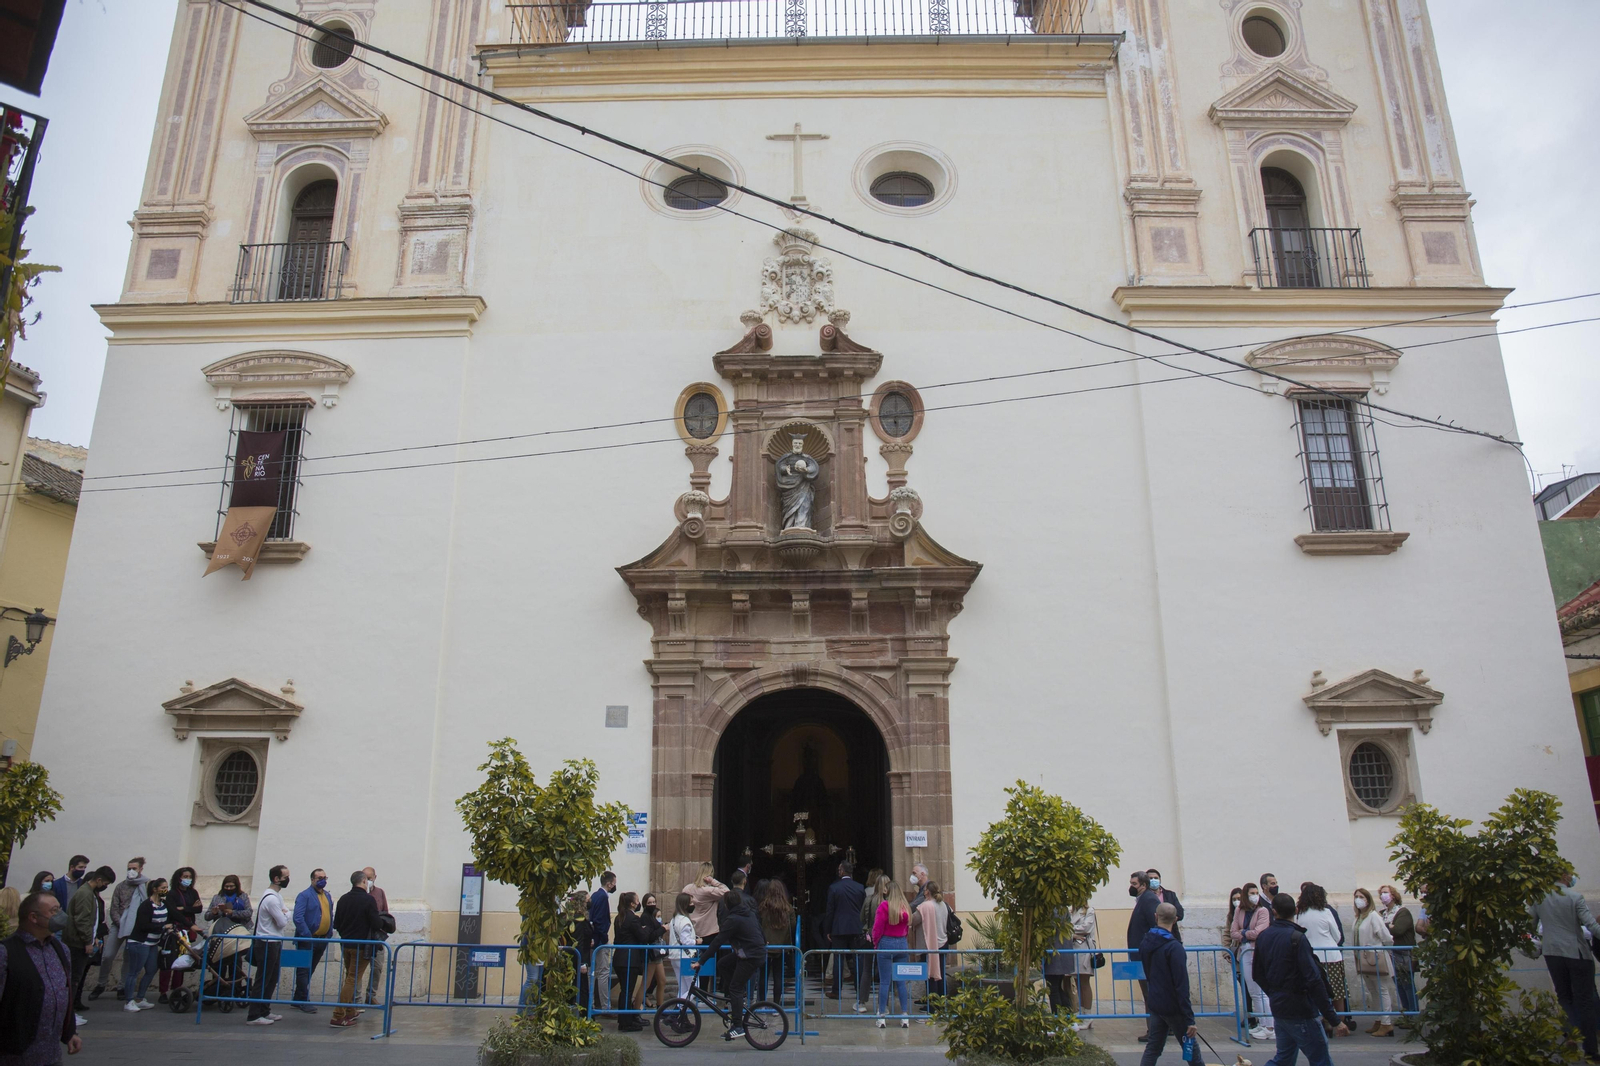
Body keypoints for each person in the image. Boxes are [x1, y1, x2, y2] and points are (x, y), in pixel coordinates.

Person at [1254, 893, 1348, 1066]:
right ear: (1296, 910)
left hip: (1280, 1005)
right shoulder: (1297, 938)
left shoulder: (1264, 937)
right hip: (1300, 1007)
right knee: (1320, 1059)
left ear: (1273, 911)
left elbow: (1257, 974)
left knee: (1284, 1058)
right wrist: (1333, 1018)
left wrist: (1274, 993)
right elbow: (1313, 979)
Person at [0, 892, 81, 1061]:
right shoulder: (6, 952)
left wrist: (70, 1032)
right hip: (16, 1054)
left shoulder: (60, 949)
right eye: (54, 910)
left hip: (51, 1053)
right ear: (33, 917)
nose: (60, 915)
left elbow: (65, 992)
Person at [1529, 871, 1600, 1062]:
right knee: (1584, 1001)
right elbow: (1592, 925)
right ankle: (1591, 1050)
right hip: (1577, 953)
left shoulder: (1539, 898)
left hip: (1552, 954)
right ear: (1565, 877)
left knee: (1565, 998)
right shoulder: (1575, 897)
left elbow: (1529, 925)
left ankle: (1571, 1036)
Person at [690, 887, 766, 1041]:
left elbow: (717, 942)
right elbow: (760, 929)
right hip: (751, 952)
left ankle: (738, 1026)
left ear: (727, 905)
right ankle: (735, 995)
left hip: (750, 955)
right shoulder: (747, 913)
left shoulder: (733, 919)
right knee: (723, 964)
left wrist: (701, 961)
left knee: (735, 987)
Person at [1138, 903, 1204, 1066]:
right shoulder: (1174, 947)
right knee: (1190, 1048)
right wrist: (1189, 1018)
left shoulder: (1146, 942)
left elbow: (1148, 972)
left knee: (1153, 1047)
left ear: (1155, 916)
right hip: (1174, 1006)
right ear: (1175, 919)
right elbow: (1181, 985)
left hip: (1156, 1001)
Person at [330, 870, 385, 1027]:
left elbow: (337, 923)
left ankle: (350, 1010)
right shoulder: (368, 900)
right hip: (361, 946)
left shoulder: (343, 899)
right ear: (362, 882)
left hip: (346, 944)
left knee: (350, 977)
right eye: (366, 880)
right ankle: (338, 1015)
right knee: (353, 979)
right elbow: (376, 923)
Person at [91, 858, 146, 1002]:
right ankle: (101, 983)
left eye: (134, 868)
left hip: (136, 928)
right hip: (119, 925)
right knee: (107, 955)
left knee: (128, 958)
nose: (131, 871)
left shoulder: (145, 886)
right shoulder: (121, 886)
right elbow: (114, 907)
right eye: (129, 868)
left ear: (141, 869)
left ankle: (122, 987)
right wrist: (121, 923)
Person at [247, 864, 293, 1026]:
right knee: (263, 978)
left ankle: (264, 1010)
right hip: (267, 942)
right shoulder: (272, 898)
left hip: (274, 941)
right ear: (276, 878)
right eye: (285, 876)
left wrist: (285, 914)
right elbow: (282, 922)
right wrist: (285, 915)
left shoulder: (276, 896)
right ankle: (253, 1015)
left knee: (272, 978)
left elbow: (287, 913)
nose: (288, 879)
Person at [63, 866, 113, 1014]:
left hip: (82, 941)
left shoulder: (89, 893)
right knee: (74, 979)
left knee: (77, 977)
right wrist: (87, 942)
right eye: (105, 884)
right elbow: (82, 920)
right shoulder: (85, 894)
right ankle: (68, 1013)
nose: (105, 887)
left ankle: (71, 1010)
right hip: (77, 943)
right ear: (98, 880)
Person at [1294, 884, 1346, 1026]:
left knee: (1316, 989)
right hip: (1331, 955)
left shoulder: (1300, 914)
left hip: (1311, 956)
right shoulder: (1326, 912)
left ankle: (1321, 1021)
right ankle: (1340, 1020)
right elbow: (1337, 935)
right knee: (1337, 990)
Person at [823, 861, 868, 1011]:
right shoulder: (860, 887)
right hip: (856, 928)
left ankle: (837, 991)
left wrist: (828, 929)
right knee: (858, 960)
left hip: (839, 928)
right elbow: (863, 908)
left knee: (838, 959)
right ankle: (859, 992)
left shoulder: (834, 888)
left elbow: (830, 911)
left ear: (842, 871)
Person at [119, 877, 169, 1012]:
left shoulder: (163, 904)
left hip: (153, 943)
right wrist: (162, 926)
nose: (165, 890)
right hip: (140, 943)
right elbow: (143, 925)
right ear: (155, 889)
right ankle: (128, 1001)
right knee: (134, 972)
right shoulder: (146, 905)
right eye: (163, 888)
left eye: (166, 887)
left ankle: (140, 998)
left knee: (152, 969)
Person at [1232, 882, 1274, 1041]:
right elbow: (1233, 932)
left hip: (1257, 951)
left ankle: (1270, 1026)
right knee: (1253, 991)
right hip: (1245, 952)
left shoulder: (1263, 911)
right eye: (1251, 893)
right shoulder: (1239, 910)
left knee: (1263, 991)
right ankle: (1262, 1023)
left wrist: (1244, 933)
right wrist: (1245, 934)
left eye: (1256, 892)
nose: (1255, 896)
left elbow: (1259, 932)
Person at [1350, 887, 1393, 1036]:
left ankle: (1386, 1022)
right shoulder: (1358, 917)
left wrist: (1377, 948)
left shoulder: (1374, 916)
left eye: (1361, 896)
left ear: (1368, 899)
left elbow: (1386, 937)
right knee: (1372, 991)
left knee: (1382, 990)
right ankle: (1378, 1019)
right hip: (1363, 958)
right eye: (1356, 896)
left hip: (1375, 957)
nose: (1358, 899)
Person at [291, 869, 335, 1013]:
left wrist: (329, 934)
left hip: (322, 940)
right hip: (308, 940)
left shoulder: (327, 895)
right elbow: (298, 917)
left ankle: (298, 997)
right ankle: (303, 999)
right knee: (303, 970)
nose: (322, 880)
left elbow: (329, 914)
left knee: (310, 969)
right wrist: (307, 935)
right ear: (312, 880)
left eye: (324, 877)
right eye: (319, 878)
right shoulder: (304, 896)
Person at [871, 878, 912, 1028]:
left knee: (884, 982)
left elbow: (877, 928)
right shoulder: (905, 907)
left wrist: (876, 943)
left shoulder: (884, 906)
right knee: (901, 982)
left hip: (886, 943)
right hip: (901, 943)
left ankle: (882, 1016)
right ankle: (905, 1015)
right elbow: (907, 928)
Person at [159, 867, 202, 1001]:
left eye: (190, 876)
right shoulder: (172, 893)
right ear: (179, 877)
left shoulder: (193, 892)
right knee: (169, 961)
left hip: (188, 931)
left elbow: (199, 908)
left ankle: (176, 989)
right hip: (175, 931)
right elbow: (173, 912)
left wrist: (183, 908)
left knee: (182, 962)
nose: (187, 879)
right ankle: (163, 991)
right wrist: (189, 911)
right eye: (185, 876)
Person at [1377, 885, 1417, 1016]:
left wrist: (1385, 926)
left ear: (1393, 895)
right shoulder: (1382, 913)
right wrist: (1389, 926)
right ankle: (1406, 1012)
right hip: (1390, 953)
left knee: (1407, 985)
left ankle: (1413, 1013)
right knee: (1399, 985)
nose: (1383, 895)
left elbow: (1398, 930)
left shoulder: (1402, 912)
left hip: (1404, 953)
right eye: (1381, 893)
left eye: (1385, 893)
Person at [612, 891, 648, 1030]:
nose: (639, 903)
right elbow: (642, 936)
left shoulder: (619, 917)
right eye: (637, 901)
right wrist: (647, 928)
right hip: (629, 959)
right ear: (633, 904)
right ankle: (626, 1022)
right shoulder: (632, 918)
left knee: (624, 990)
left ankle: (624, 1019)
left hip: (619, 958)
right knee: (627, 990)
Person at [758, 880, 795, 1005]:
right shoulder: (788, 908)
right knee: (778, 976)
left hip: (766, 945)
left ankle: (762, 1003)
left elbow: (758, 924)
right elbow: (793, 925)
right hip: (781, 946)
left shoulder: (763, 906)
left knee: (763, 976)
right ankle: (776, 1003)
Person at [909, 880, 946, 1002]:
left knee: (930, 975)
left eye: (924, 890)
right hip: (942, 943)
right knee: (940, 974)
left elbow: (913, 920)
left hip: (929, 944)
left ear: (927, 892)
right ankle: (942, 1002)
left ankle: (932, 1004)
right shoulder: (943, 904)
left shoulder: (925, 906)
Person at [587, 872, 617, 1013]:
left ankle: (591, 1003)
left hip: (594, 940)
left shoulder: (595, 896)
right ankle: (605, 1007)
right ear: (609, 883)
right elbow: (599, 921)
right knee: (604, 972)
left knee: (592, 973)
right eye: (614, 883)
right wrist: (603, 938)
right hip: (600, 941)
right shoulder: (603, 897)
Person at [561, 891, 594, 1009]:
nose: (590, 902)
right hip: (577, 959)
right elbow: (578, 941)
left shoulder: (572, 917)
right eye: (588, 900)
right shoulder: (578, 919)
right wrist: (582, 963)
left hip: (575, 958)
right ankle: (583, 1015)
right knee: (581, 988)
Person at [361, 867, 389, 1006]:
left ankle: (371, 994)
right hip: (361, 935)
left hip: (376, 936)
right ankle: (356, 997)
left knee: (377, 966)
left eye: (370, 878)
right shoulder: (358, 894)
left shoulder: (379, 893)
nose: (368, 881)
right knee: (358, 968)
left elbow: (385, 912)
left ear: (374, 878)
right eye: (365, 878)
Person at [640, 893, 669, 1010]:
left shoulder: (651, 917)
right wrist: (663, 929)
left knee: (662, 981)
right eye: (649, 902)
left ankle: (660, 1007)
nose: (652, 904)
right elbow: (650, 936)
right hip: (652, 953)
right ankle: (636, 1006)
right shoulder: (645, 917)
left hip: (657, 954)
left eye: (654, 902)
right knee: (646, 983)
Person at [669, 893, 697, 1000]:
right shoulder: (685, 921)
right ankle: (679, 1008)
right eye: (691, 902)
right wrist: (696, 941)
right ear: (685, 905)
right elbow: (685, 940)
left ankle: (679, 1012)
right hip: (685, 957)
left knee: (683, 987)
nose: (693, 904)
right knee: (694, 987)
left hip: (674, 956)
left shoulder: (674, 919)